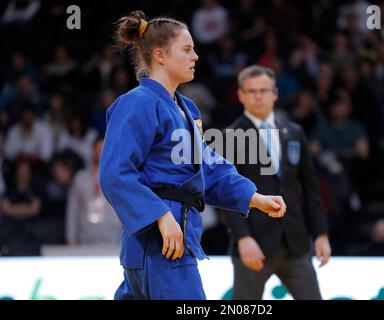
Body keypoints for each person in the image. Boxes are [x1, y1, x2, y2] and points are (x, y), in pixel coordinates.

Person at [99, 11, 286, 300]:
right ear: (160, 55)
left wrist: (253, 197)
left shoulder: (185, 108)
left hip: (172, 238)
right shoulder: (137, 103)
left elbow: (207, 169)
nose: (195, 56)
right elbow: (115, 174)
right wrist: (160, 216)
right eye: (187, 49)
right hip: (161, 242)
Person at [222, 65, 331, 300]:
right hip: (254, 243)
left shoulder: (293, 132)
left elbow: (310, 188)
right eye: (252, 91)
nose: (258, 96)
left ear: (275, 93)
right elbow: (225, 193)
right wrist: (242, 237)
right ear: (241, 95)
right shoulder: (230, 136)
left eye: (263, 90)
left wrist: (321, 233)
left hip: (295, 243)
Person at [66, 136, 121, 246]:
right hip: (86, 237)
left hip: (113, 238)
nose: (101, 152)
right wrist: (71, 238)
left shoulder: (118, 176)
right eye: (99, 149)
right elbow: (73, 210)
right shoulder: (80, 178)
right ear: (93, 151)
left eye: (104, 148)